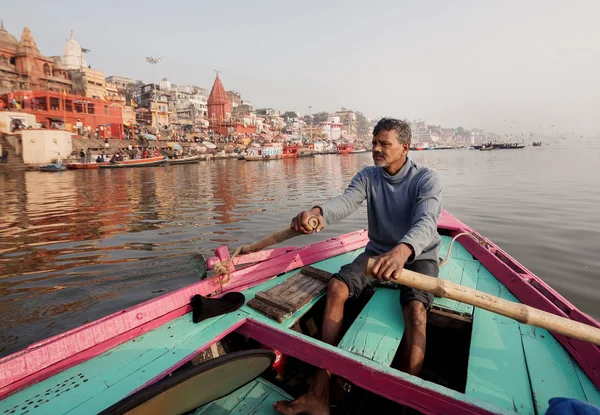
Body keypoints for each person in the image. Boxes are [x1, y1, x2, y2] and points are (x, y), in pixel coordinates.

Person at [274, 118, 443, 415]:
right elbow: (345, 202)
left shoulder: (426, 179)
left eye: (384, 144)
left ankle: (406, 404)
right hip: (377, 253)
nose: (376, 149)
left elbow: (426, 222)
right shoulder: (368, 176)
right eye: (374, 143)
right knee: (337, 287)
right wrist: (317, 213)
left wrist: (402, 251)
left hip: (418, 256)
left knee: (416, 312)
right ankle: (319, 392)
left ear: (405, 148)